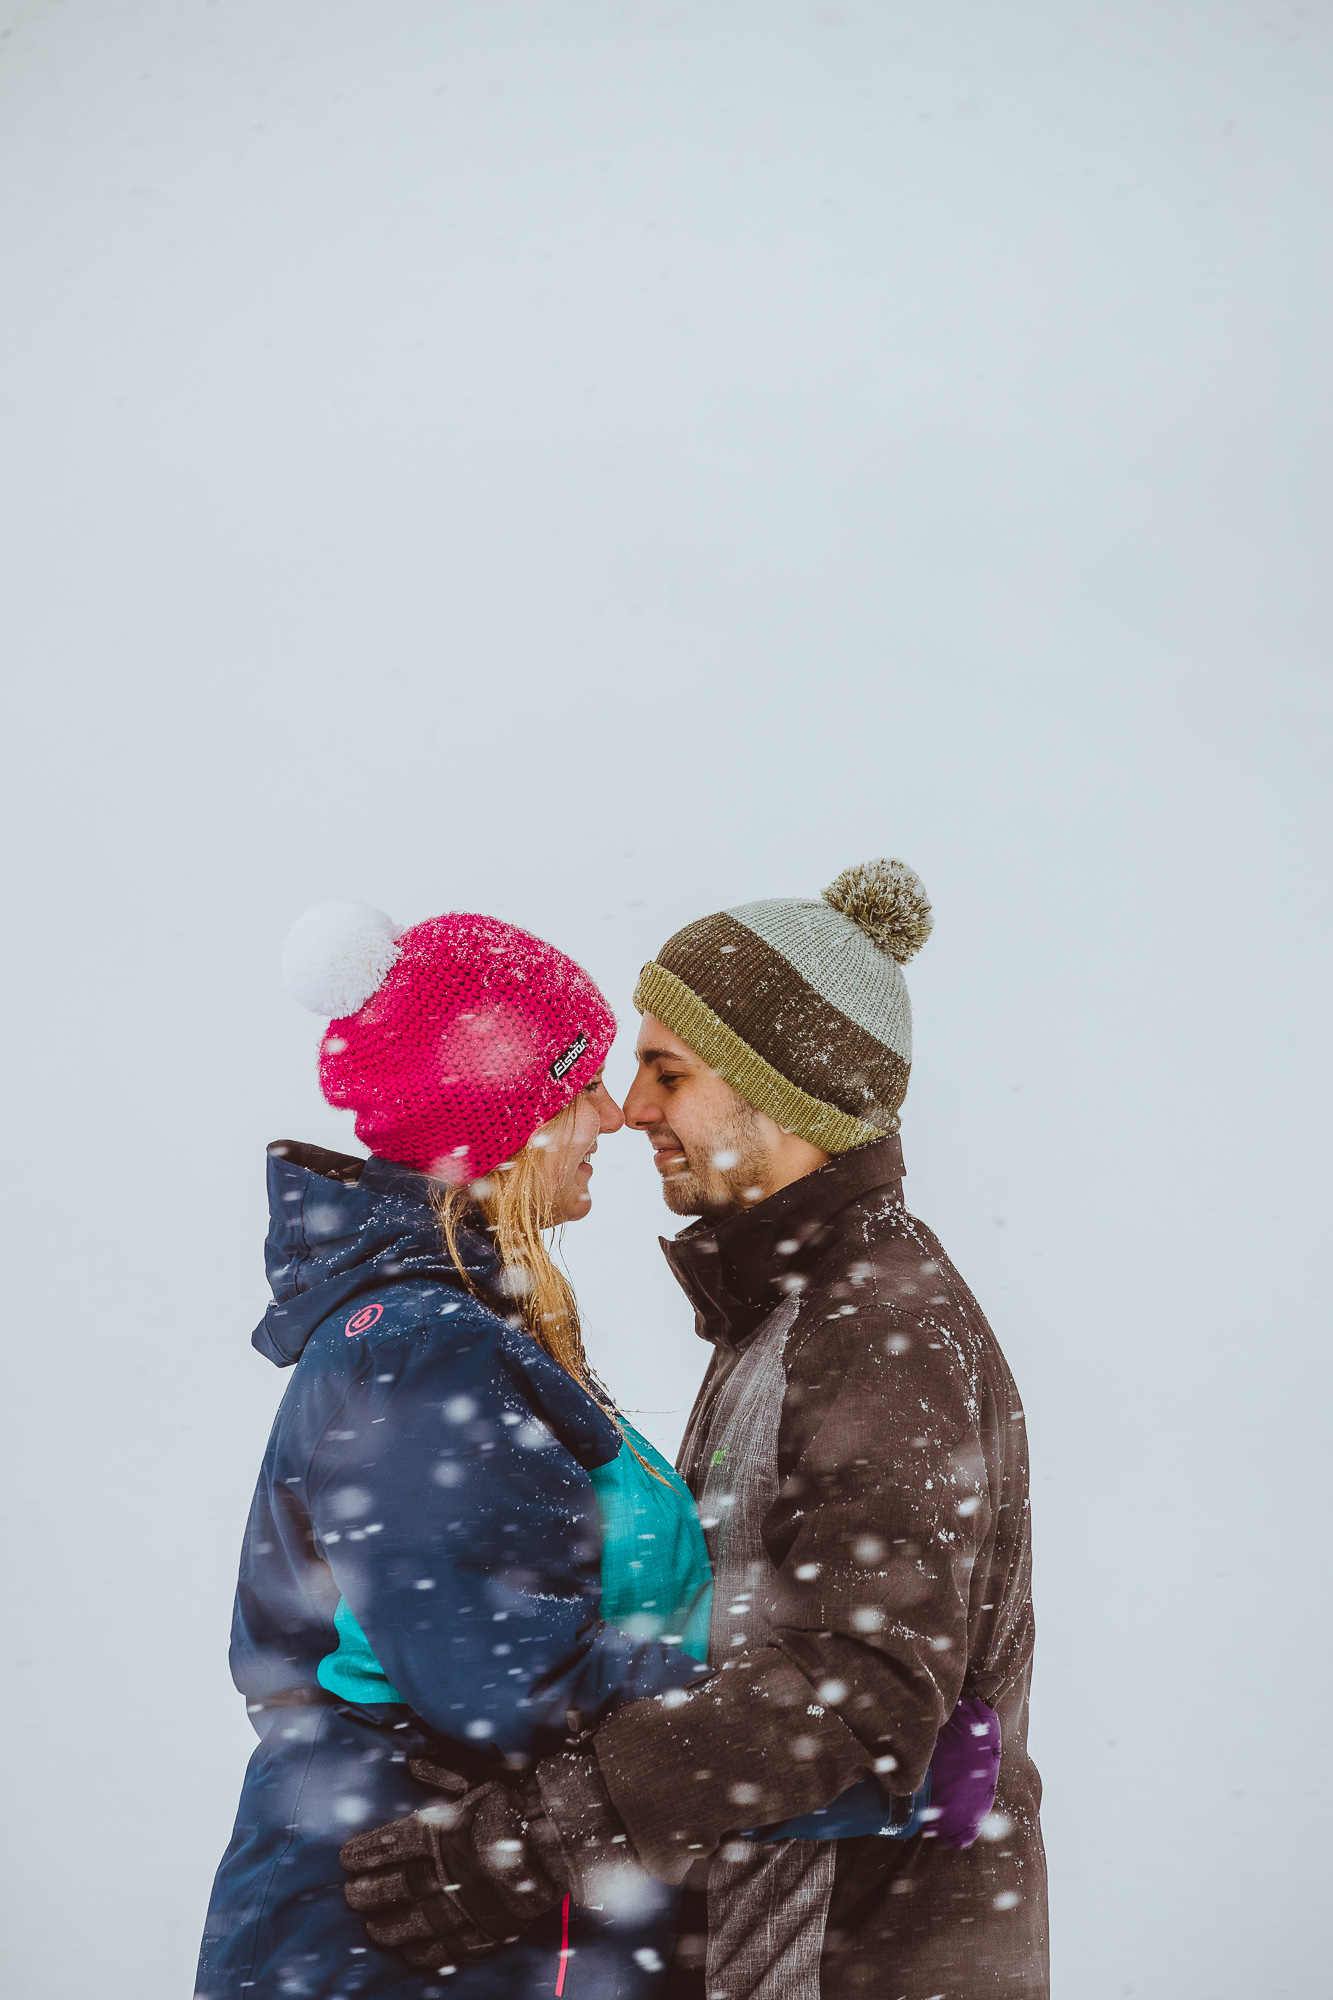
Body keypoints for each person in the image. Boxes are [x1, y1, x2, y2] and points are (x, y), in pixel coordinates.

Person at [197, 895, 994, 2000]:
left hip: (449, 1930)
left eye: (656, 1073)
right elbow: (517, 1676)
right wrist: (844, 1753)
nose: (614, 1114)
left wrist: (831, 1719)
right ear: (500, 1123)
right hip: (395, 1933)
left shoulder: (473, 1336)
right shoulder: (425, 1349)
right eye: (582, 1086)